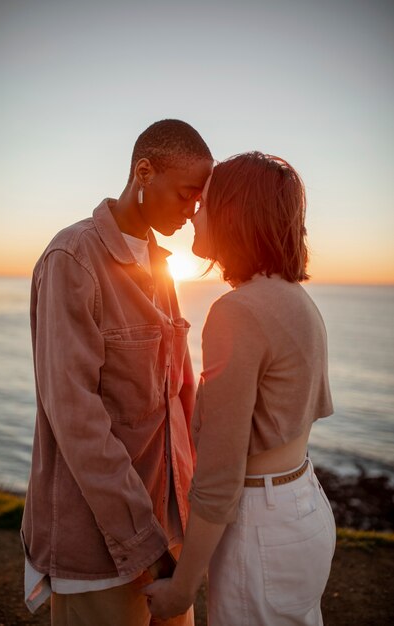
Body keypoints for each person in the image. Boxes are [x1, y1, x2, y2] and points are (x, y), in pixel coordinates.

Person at [21, 119, 213, 626]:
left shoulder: (162, 267)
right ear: (143, 172)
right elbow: (76, 417)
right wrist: (142, 543)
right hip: (102, 546)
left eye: (201, 199)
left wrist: (195, 515)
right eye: (186, 193)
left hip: (169, 528)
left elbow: (181, 397)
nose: (193, 210)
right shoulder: (72, 259)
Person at [145, 152, 336, 626]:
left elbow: (221, 472)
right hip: (303, 502)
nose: (193, 211)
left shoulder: (237, 311)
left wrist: (182, 589)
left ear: (234, 214)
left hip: (263, 521)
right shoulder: (296, 298)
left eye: (204, 202)